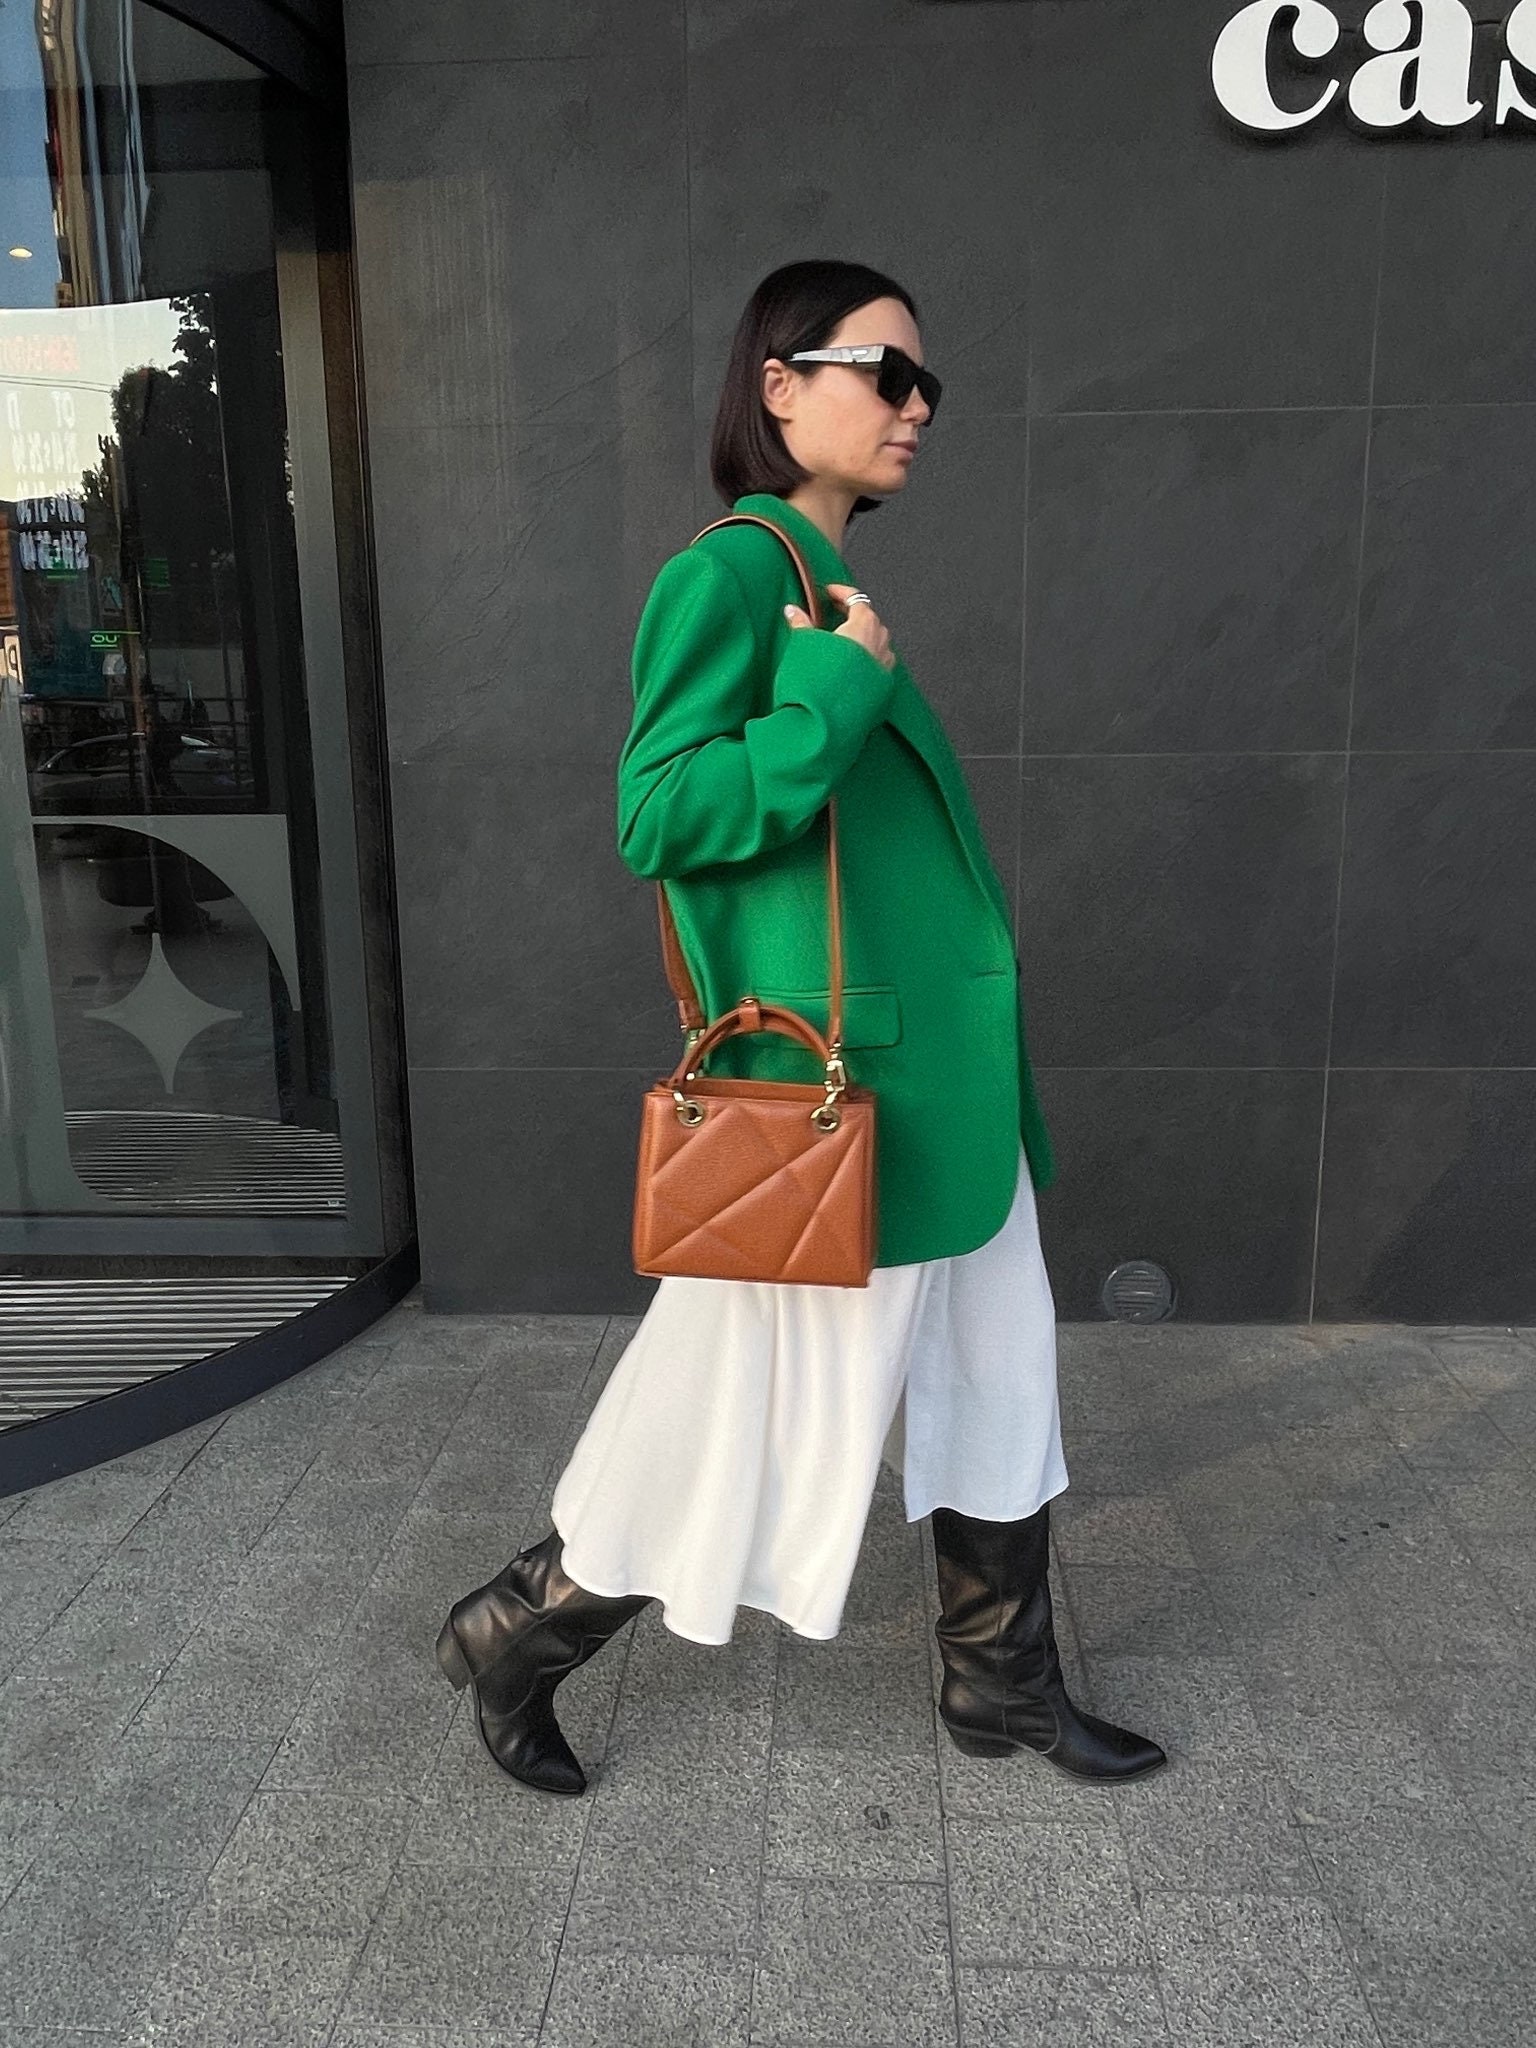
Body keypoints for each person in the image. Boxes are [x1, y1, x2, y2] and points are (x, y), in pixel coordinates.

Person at [435, 259, 1165, 1797]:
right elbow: (657, 812)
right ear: (779, 383)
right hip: (847, 1095)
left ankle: (1001, 1683)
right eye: (884, 373)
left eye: (926, 384)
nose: (917, 406)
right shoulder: (728, 576)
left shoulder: (822, 581)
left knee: (1001, 1373)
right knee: (740, 1404)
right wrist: (830, 691)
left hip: (944, 1086)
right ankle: (518, 1630)